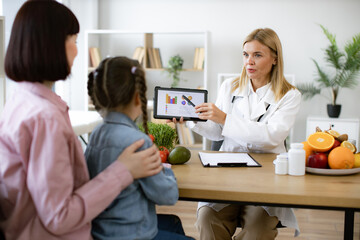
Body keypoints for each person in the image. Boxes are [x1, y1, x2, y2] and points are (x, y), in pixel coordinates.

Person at [0, 1, 162, 240]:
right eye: (74, 41)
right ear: (51, 45)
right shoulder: (45, 119)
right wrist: (123, 170)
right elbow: (59, 216)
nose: (77, 50)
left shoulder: (19, 101)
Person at [176, 28, 301, 239]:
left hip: (266, 175)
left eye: (257, 55)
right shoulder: (230, 86)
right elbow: (217, 133)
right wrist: (191, 120)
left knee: (257, 228)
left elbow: (272, 136)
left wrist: (224, 118)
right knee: (207, 217)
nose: (249, 61)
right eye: (246, 54)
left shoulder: (290, 95)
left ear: (275, 59)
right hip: (227, 171)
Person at [86, 56, 193, 240]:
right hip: (134, 235)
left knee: (173, 223)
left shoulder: (95, 135)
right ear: (138, 97)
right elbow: (167, 196)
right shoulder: (138, 141)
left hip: (101, 232)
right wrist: (166, 173)